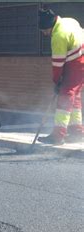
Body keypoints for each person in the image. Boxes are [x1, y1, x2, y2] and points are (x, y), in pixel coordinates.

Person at [38, 9, 83, 145]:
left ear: (50, 27)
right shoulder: (68, 20)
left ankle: (58, 135)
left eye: (44, 31)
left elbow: (58, 64)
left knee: (65, 96)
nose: (45, 34)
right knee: (74, 96)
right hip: (79, 57)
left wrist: (57, 82)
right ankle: (77, 131)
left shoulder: (58, 36)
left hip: (78, 63)